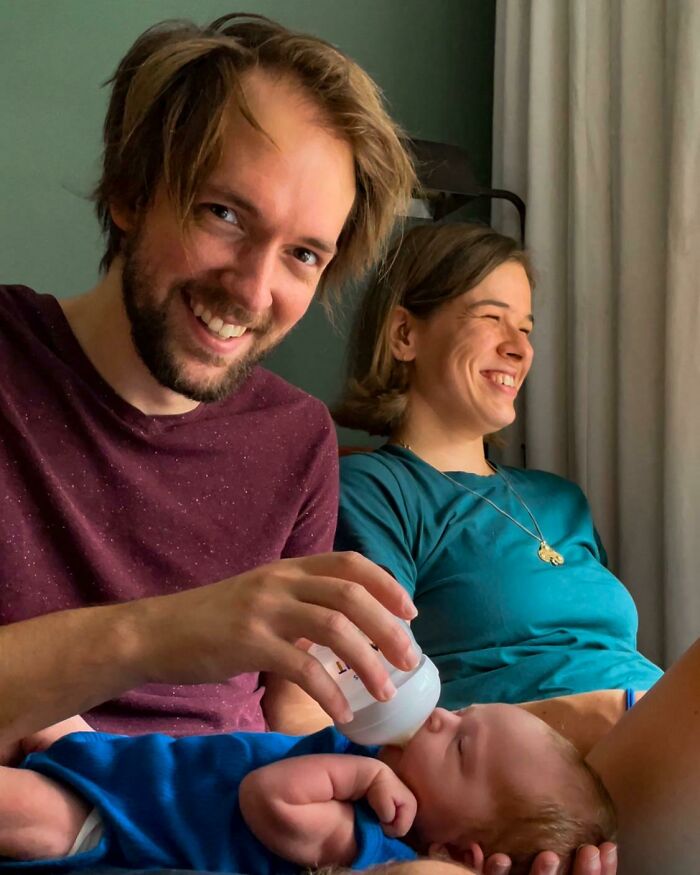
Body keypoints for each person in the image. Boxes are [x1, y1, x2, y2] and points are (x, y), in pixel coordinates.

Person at [0, 10, 418, 741]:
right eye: (224, 214)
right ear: (131, 192)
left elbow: (293, 711)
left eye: (303, 255)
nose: (253, 293)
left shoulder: (298, 438)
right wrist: (160, 633)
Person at [334, 222, 662, 755]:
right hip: (543, 761)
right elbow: (374, 704)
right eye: (492, 319)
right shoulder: (374, 490)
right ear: (405, 335)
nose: (519, 349)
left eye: (526, 329)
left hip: (645, 734)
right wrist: (590, 715)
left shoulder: (560, 500)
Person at [0, 704, 614, 874]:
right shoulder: (383, 762)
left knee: (22, 807)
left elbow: (267, 796)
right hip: (131, 764)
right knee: (31, 694)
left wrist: (365, 777)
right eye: (460, 713)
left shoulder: (366, 840)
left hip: (120, 821)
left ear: (453, 851)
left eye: (458, 746)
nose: (438, 717)